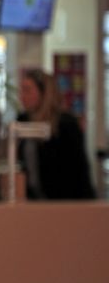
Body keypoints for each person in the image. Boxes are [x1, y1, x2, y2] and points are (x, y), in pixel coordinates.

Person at [18, 69, 95, 200]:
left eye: (27, 90)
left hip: (66, 200)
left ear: (44, 93)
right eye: (21, 90)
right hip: (34, 201)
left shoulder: (65, 124)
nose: (22, 96)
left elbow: (79, 171)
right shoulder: (23, 121)